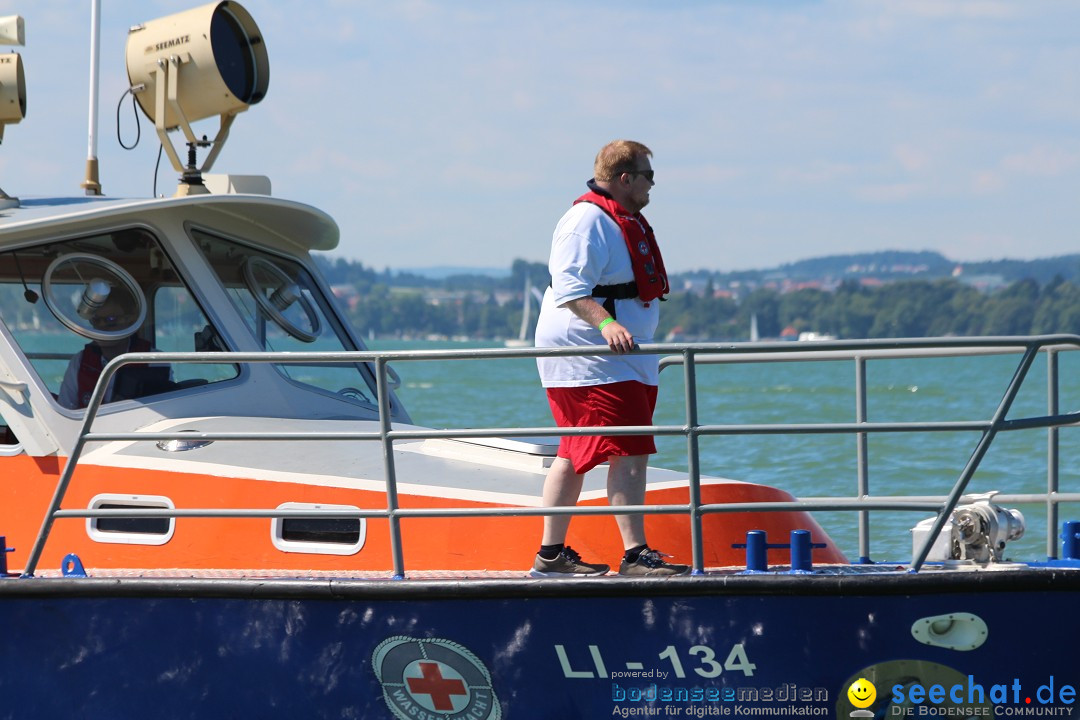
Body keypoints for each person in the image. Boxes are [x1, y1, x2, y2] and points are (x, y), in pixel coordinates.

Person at [531, 139, 689, 578]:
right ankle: (635, 554)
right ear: (625, 179)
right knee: (629, 449)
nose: (652, 186)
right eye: (647, 176)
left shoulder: (616, 219)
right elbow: (568, 288)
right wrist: (606, 325)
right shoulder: (586, 221)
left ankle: (550, 555)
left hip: (617, 355)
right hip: (592, 353)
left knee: (576, 449)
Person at [58, 297, 170, 410]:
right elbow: (65, 409)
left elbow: (163, 408)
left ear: (129, 320)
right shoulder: (79, 362)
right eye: (96, 320)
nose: (102, 327)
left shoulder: (154, 360)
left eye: (111, 320)